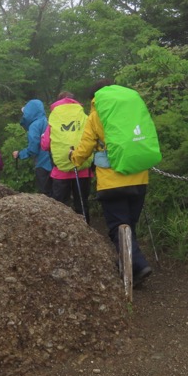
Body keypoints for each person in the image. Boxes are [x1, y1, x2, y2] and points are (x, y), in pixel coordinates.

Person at [68, 80, 154, 286]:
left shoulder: (97, 115)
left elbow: (86, 146)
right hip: (139, 177)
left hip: (111, 181)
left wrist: (74, 158)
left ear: (95, 98)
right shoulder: (133, 110)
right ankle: (129, 270)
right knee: (129, 226)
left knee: (118, 227)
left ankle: (139, 265)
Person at [41, 92, 92, 222]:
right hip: (83, 169)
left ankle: (62, 233)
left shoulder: (54, 119)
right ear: (75, 102)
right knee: (82, 204)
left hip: (60, 171)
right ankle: (87, 233)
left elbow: (45, 145)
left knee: (60, 206)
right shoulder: (83, 116)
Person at [12, 99, 53, 196]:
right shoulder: (48, 121)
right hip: (54, 163)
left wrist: (20, 154)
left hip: (42, 164)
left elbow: (33, 148)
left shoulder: (34, 126)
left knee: (46, 195)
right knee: (55, 194)